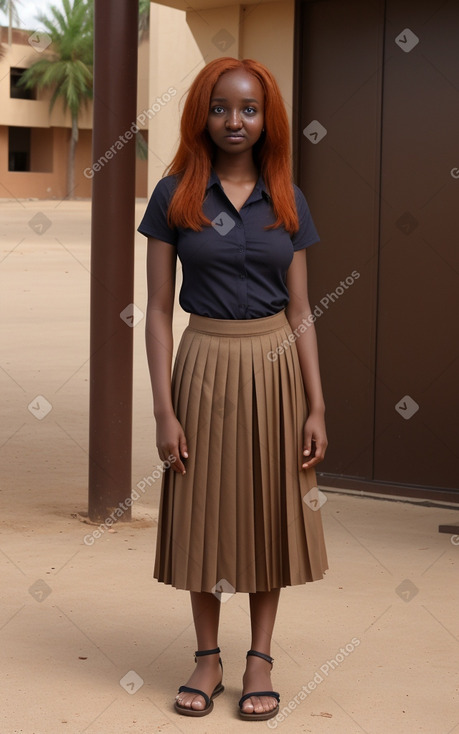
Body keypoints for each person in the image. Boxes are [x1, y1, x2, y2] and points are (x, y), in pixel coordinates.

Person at [138, 56, 328, 722]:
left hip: (275, 367)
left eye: (247, 108)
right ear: (202, 114)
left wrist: (316, 405)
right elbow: (158, 310)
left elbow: (301, 308)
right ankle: (208, 655)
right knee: (204, 512)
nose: (234, 120)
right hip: (204, 364)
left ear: (265, 117)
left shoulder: (288, 199)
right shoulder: (173, 197)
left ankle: (259, 658)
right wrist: (164, 408)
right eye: (220, 107)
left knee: (270, 512)